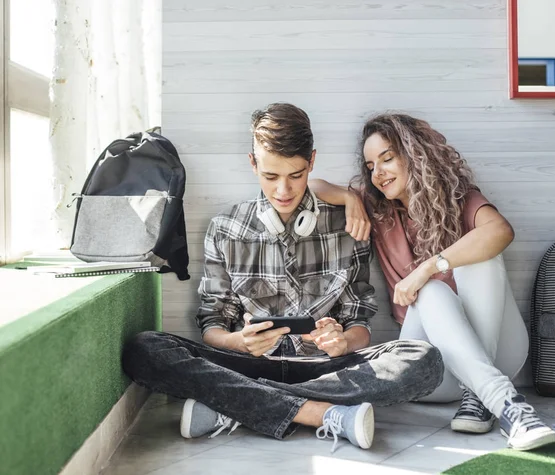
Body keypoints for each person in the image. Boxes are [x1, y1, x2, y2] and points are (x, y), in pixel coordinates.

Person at [122, 103, 444, 453]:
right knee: (145, 349)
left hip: (326, 370)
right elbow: (213, 322)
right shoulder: (226, 228)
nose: (283, 191)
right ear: (253, 163)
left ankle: (235, 406)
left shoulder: (347, 226)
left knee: (422, 360)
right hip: (246, 364)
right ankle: (322, 414)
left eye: (296, 175)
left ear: (312, 162)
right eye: (271, 176)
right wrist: (239, 343)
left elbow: (360, 319)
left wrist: (344, 342)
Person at [310, 112, 555, 452]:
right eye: (370, 166)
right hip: (432, 368)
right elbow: (310, 185)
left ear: (414, 154)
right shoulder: (378, 207)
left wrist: (429, 265)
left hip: (500, 351)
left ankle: (481, 396)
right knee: (430, 292)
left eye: (387, 158)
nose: (377, 173)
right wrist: (351, 197)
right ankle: (507, 406)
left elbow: (501, 231)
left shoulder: (460, 198)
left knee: (480, 255)